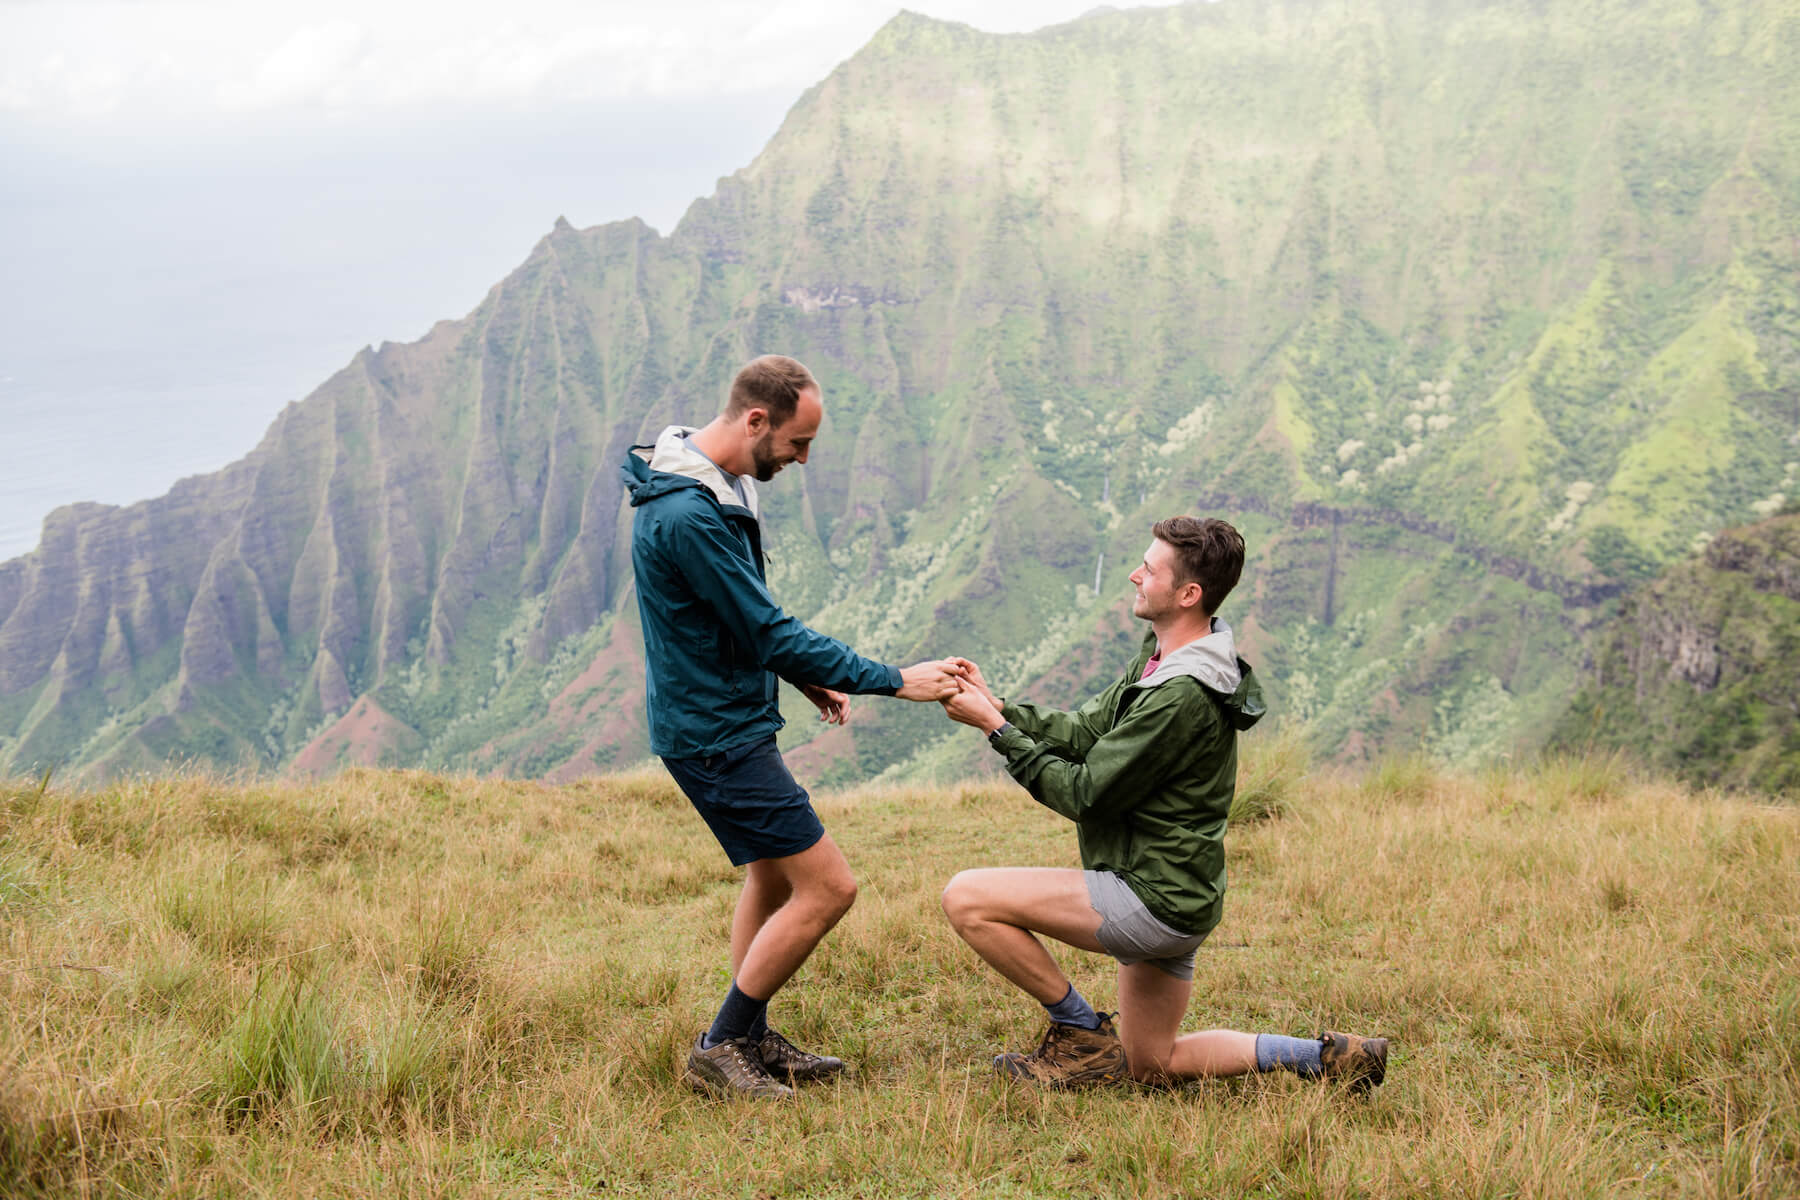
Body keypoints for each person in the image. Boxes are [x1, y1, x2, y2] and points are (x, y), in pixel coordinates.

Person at [937, 516, 1389, 1092]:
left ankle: (1077, 1032)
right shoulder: (1166, 661)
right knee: (1152, 1062)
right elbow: (1087, 730)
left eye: (1149, 570)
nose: (1134, 575)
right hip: (1183, 894)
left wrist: (998, 731)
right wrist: (998, 704)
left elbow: (1085, 793)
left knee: (967, 897)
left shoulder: (1181, 692)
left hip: (1148, 894)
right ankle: (1328, 1058)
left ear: (1188, 594)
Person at [622, 353, 964, 1101]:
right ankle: (721, 1045)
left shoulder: (712, 480)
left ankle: (747, 1036)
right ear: (756, 419)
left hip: (719, 720)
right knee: (829, 888)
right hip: (716, 736)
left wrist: (805, 676)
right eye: (798, 443)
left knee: (772, 878)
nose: (803, 459)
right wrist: (894, 679)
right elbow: (766, 627)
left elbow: (733, 618)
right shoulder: (687, 513)